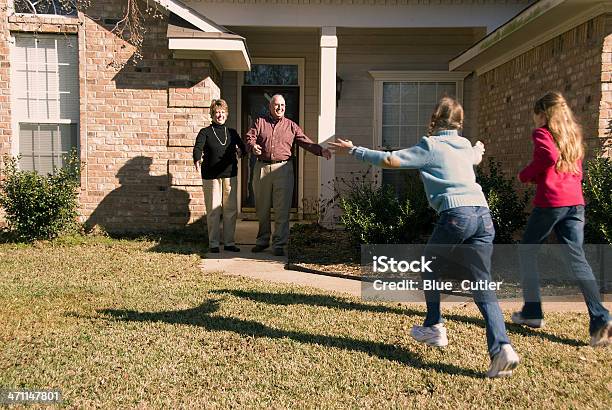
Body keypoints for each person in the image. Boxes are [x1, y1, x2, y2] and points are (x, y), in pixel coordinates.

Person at [329, 96, 520, 378]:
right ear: (459, 123)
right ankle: (501, 347)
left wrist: (354, 150)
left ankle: (434, 325)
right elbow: (476, 156)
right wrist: (479, 147)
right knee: (482, 282)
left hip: (457, 215)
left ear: (434, 119)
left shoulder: (431, 146)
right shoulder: (464, 145)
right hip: (483, 216)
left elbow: (390, 159)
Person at [512, 91, 611, 346]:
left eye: (536, 116)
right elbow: (563, 169)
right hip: (575, 203)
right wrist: (539, 176)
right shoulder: (572, 135)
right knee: (577, 259)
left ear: (544, 114)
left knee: (527, 251)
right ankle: (600, 318)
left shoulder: (543, 134)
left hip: (551, 203)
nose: (535, 122)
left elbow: (548, 158)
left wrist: (525, 175)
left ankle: (532, 312)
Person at [244, 94, 332, 257]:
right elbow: (250, 137)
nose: (280, 108)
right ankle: (262, 241)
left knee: (282, 209)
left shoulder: (291, 126)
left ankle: (279, 244)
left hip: (283, 169)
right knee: (262, 208)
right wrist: (252, 146)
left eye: (283, 106)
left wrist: (321, 150)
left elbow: (305, 141)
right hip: (262, 168)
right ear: (270, 106)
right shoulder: (260, 122)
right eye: (277, 105)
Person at [193, 99, 246, 254]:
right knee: (214, 210)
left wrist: (241, 151)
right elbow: (198, 147)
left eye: (222, 112)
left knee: (230, 210)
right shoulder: (205, 132)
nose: (220, 115)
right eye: (217, 112)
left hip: (230, 174)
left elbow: (243, 148)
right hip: (211, 176)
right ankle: (214, 243)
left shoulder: (232, 133)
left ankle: (229, 242)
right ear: (212, 114)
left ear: (226, 114)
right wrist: (197, 158)